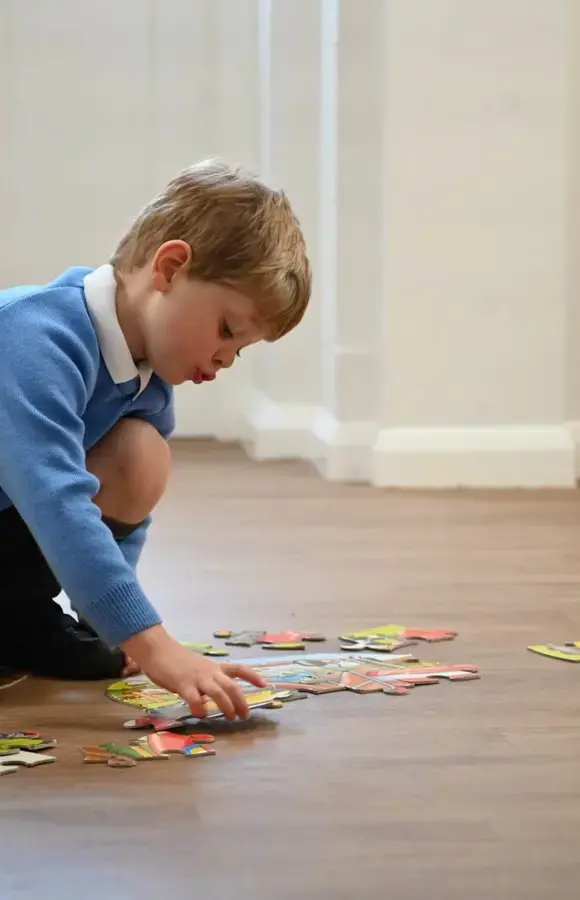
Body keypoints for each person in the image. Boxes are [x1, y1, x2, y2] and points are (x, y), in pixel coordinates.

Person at [0, 159, 311, 721]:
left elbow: (124, 519)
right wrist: (153, 643)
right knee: (63, 487)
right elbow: (56, 501)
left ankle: (17, 620)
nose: (225, 360)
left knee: (140, 454)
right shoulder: (31, 336)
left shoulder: (146, 382)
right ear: (169, 267)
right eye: (226, 330)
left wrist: (112, 628)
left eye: (240, 350)